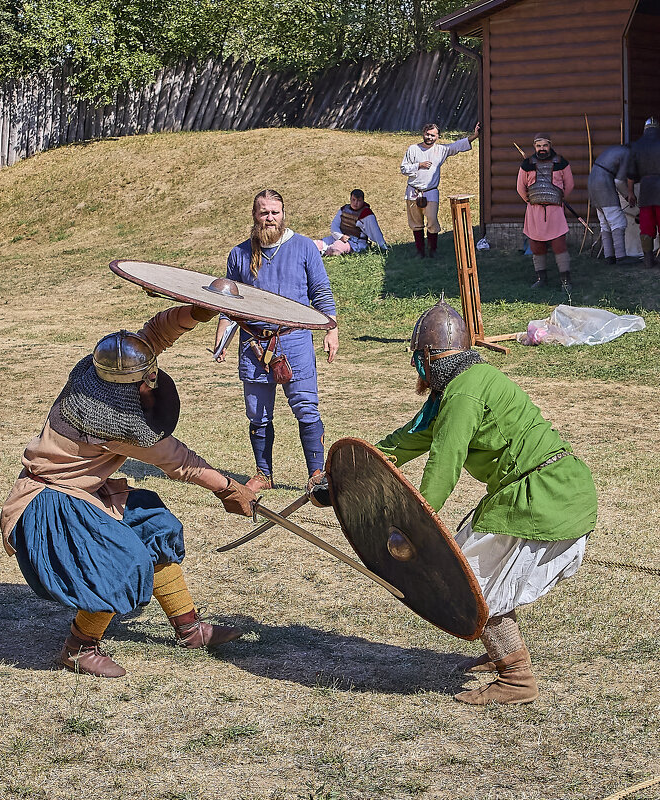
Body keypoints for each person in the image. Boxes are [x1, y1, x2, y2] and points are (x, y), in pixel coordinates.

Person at [0, 305, 258, 678]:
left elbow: (153, 335)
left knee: (153, 526)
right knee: (119, 561)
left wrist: (197, 312)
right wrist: (229, 489)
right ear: (129, 388)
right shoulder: (113, 422)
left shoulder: (97, 374)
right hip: (52, 501)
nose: (152, 380)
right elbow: (178, 460)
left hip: (86, 491)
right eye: (147, 379)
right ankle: (78, 648)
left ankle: (190, 630)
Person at [374, 299, 597, 705]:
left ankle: (516, 678)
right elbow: (403, 442)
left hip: (545, 495)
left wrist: (417, 525)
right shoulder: (457, 389)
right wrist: (344, 476)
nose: (414, 369)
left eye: (416, 359)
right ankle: (503, 654)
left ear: (428, 358)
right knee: (473, 570)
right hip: (540, 490)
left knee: (467, 578)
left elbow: (443, 465)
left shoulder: (463, 395)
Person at [214, 189, 338, 493]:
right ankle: (263, 473)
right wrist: (222, 333)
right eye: (264, 212)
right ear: (254, 216)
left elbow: (320, 291)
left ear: (283, 214)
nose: (270, 218)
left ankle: (317, 475)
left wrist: (331, 328)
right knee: (257, 413)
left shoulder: (304, 247)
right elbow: (231, 304)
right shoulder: (239, 254)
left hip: (293, 341)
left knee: (306, 408)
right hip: (253, 345)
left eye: (275, 212)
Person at [401, 122, 480, 258]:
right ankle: (420, 251)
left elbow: (456, 146)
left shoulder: (440, 150)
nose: (429, 137)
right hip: (413, 191)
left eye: (432, 135)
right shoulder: (413, 149)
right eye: (427, 134)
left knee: (432, 221)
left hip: (431, 192)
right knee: (416, 223)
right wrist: (418, 165)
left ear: (437, 136)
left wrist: (474, 136)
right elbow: (404, 169)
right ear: (423, 133)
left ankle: (433, 250)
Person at [517, 133, 575, 292]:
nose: (542, 149)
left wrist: (557, 199)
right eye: (538, 146)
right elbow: (521, 188)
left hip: (555, 211)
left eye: (544, 145)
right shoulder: (527, 164)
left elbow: (568, 185)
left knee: (559, 246)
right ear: (535, 147)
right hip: (534, 212)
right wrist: (531, 201)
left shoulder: (561, 163)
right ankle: (541, 278)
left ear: (549, 145)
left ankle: (565, 281)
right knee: (536, 247)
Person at [590, 144, 635, 265]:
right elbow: (619, 181)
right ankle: (621, 257)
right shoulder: (628, 154)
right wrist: (628, 195)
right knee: (617, 221)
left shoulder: (615, 150)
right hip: (603, 183)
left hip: (592, 181)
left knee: (605, 223)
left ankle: (609, 256)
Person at [627, 116, 660, 269]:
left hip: (646, 189)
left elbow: (631, 174)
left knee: (646, 225)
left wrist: (631, 193)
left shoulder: (637, 146)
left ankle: (648, 261)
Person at [313, 189, 388, 256]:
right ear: (350, 199)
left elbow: (375, 231)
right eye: (353, 200)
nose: (356, 203)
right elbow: (334, 226)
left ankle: (323, 253)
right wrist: (340, 236)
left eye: (359, 201)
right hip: (339, 237)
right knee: (314, 244)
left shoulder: (366, 214)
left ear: (363, 201)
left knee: (335, 249)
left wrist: (383, 246)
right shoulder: (344, 209)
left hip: (355, 242)